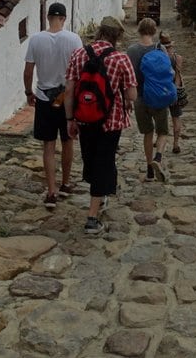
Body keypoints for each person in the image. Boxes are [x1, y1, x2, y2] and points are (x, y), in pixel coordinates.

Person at [64, 16, 137, 235]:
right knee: (104, 161)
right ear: (116, 37)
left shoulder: (79, 54)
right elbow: (132, 94)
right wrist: (125, 96)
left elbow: (68, 91)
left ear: (99, 32)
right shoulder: (120, 59)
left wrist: (70, 119)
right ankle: (92, 218)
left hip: (84, 118)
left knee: (91, 159)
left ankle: (102, 192)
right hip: (111, 121)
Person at [23, 2, 83, 210]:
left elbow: (29, 70)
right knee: (68, 141)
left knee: (48, 145)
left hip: (44, 98)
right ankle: (66, 183)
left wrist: (29, 92)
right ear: (64, 18)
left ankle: (51, 191)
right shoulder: (74, 39)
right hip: (67, 98)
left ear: (48, 18)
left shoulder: (36, 40)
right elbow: (80, 70)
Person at [126, 17, 169, 182]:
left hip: (140, 97)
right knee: (163, 131)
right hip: (159, 96)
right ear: (154, 31)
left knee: (147, 133)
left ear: (139, 30)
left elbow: (128, 76)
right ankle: (158, 158)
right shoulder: (161, 49)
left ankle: (149, 170)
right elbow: (168, 71)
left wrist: (127, 99)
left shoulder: (132, 50)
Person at [159, 32, 185, 154]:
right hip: (173, 90)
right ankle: (176, 143)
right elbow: (178, 75)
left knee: (160, 117)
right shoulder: (177, 58)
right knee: (176, 117)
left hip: (161, 91)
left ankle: (159, 139)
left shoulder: (158, 57)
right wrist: (175, 90)